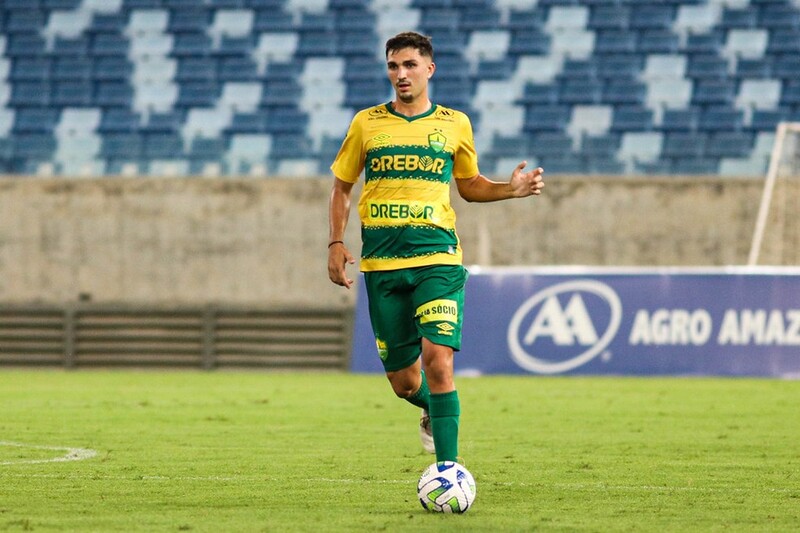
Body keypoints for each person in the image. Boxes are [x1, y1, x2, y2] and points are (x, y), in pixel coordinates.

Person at [327, 31, 544, 463]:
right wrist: (335, 241)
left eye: (410, 65)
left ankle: (449, 472)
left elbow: (469, 185)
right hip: (382, 263)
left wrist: (510, 190)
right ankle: (431, 408)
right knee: (405, 383)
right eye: (393, 66)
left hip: (438, 259)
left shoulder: (455, 123)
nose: (401, 74)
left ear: (430, 68)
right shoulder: (366, 123)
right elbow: (342, 187)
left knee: (438, 360)